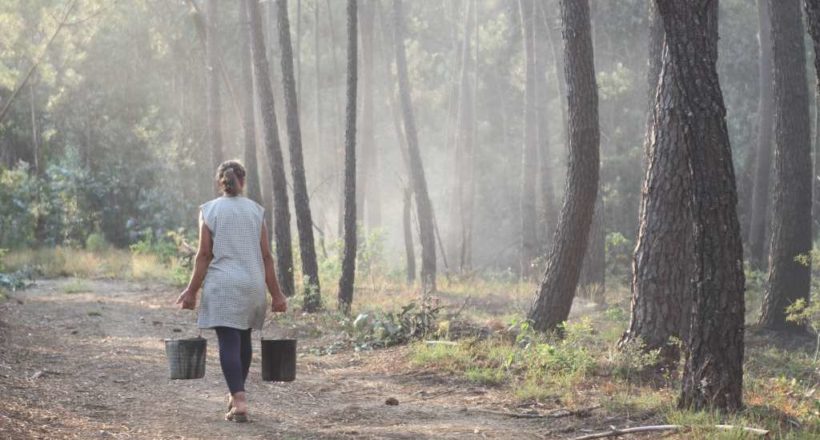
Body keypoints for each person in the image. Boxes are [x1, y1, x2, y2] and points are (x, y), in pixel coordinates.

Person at [175, 159, 288, 423]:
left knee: (228, 341)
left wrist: (191, 291)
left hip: (223, 285)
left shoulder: (209, 210)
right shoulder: (256, 211)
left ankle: (239, 399)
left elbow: (203, 255)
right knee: (244, 340)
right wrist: (278, 295)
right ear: (243, 181)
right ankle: (236, 394)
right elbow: (267, 257)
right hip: (251, 284)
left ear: (220, 182)